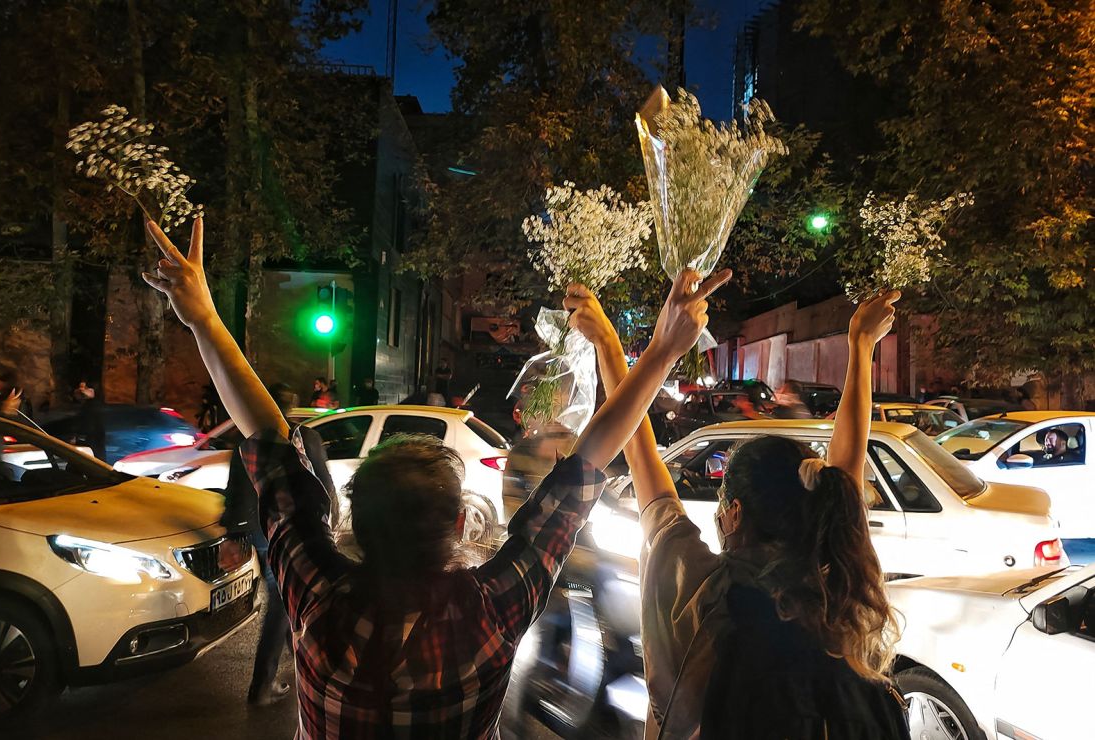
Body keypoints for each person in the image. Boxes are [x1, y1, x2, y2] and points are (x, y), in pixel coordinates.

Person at [140, 216, 728, 737]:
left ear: (357, 519)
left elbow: (267, 437)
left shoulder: (318, 598)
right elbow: (587, 466)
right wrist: (660, 351)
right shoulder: (491, 608)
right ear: (455, 522)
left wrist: (204, 320)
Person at [595, 288, 908, 739]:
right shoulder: (835, 590)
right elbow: (846, 472)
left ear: (735, 513)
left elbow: (644, 462)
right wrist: (861, 348)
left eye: (722, 507)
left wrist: (608, 345)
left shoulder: (710, 594)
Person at [222, 382, 338, 706]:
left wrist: (234, 533)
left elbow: (235, 491)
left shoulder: (246, 440)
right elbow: (324, 485)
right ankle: (262, 684)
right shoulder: (304, 438)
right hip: (286, 532)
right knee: (281, 603)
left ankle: (295, 657)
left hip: (259, 532)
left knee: (283, 597)